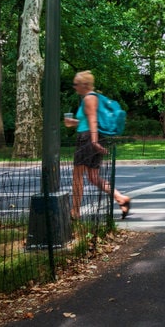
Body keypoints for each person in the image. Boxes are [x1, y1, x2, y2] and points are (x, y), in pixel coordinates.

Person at [64, 71, 131, 220]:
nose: (74, 87)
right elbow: (87, 122)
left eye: (76, 84)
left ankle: (75, 211)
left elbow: (93, 121)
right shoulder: (91, 98)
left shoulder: (89, 98)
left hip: (87, 140)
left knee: (77, 176)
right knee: (93, 177)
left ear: (85, 85)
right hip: (91, 137)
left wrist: (93, 142)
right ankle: (121, 198)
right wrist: (73, 123)